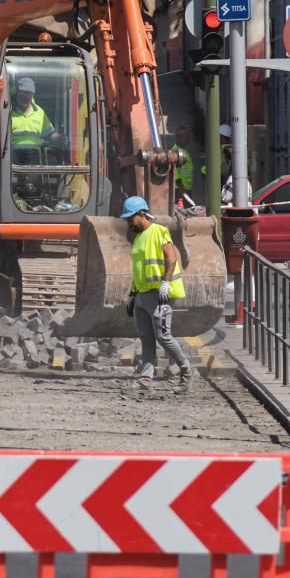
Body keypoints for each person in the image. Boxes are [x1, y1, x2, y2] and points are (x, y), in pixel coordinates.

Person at [121, 195, 194, 395]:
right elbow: (139, 270)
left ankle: (186, 371)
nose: (128, 222)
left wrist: (165, 282)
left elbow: (171, 257)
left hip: (159, 294)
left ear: (141, 214)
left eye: (130, 218)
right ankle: (145, 379)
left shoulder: (159, 231)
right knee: (146, 337)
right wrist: (132, 295)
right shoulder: (138, 238)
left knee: (163, 335)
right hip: (142, 295)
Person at [10, 77, 63, 152]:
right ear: (16, 92)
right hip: (13, 159)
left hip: (34, 158)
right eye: (23, 92)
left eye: (29, 93)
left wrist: (60, 138)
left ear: (33, 94)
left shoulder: (39, 112)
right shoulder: (8, 111)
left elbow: (50, 134)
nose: (26, 96)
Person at [171, 126, 195, 200]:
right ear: (180, 137)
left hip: (185, 189)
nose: (189, 138)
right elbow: (175, 173)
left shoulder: (182, 150)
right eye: (187, 136)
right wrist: (183, 191)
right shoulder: (175, 153)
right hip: (180, 190)